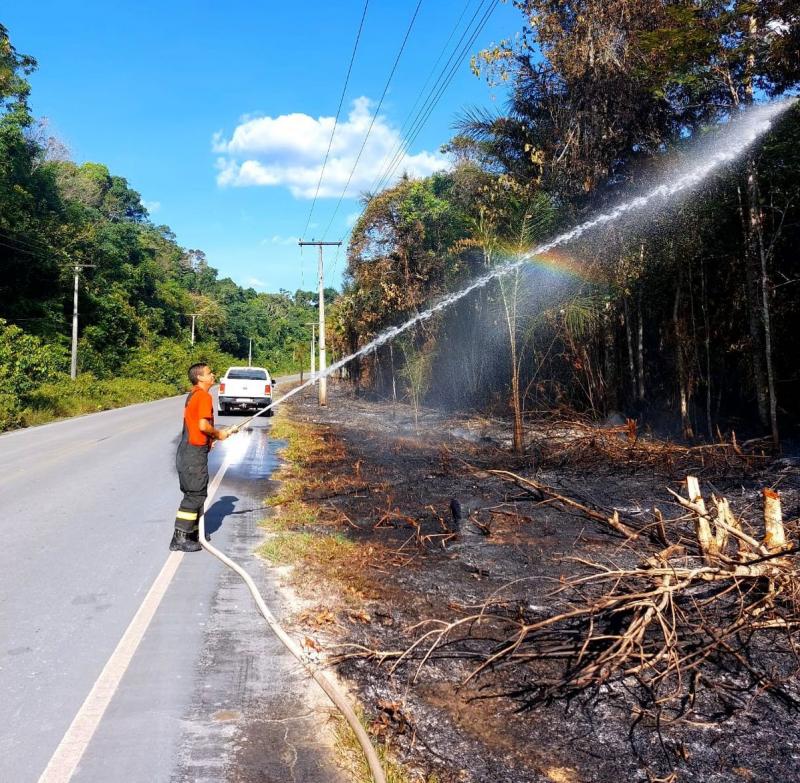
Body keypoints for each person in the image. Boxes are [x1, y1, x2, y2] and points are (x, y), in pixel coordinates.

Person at [169, 363, 231, 552]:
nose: (213, 375)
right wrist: (218, 434)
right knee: (195, 494)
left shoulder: (194, 394)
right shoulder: (203, 396)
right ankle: (180, 538)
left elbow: (196, 426)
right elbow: (203, 425)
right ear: (200, 378)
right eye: (209, 373)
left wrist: (210, 440)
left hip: (190, 451)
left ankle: (194, 533)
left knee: (197, 492)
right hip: (192, 454)